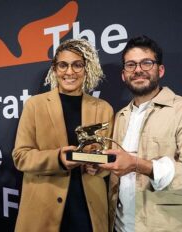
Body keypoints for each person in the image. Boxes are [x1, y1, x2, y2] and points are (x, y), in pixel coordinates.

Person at [99, 35, 182, 231]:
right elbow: (116, 169)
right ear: (123, 75)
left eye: (147, 63)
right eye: (131, 65)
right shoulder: (120, 117)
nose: (138, 70)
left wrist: (139, 165)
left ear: (160, 70)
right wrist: (98, 168)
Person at [12, 39, 113, 232]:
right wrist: (57, 158)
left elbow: (110, 160)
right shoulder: (35, 105)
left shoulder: (104, 109)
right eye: (63, 65)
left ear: (86, 69)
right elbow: (20, 156)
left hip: (88, 210)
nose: (69, 72)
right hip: (44, 209)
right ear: (55, 69)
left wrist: (100, 168)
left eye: (77, 65)